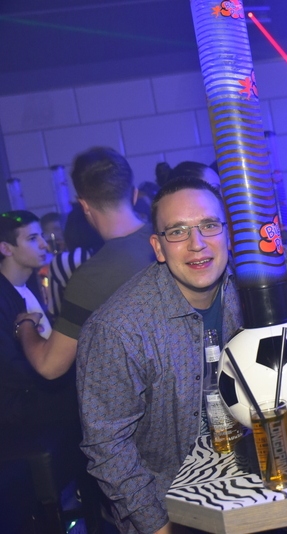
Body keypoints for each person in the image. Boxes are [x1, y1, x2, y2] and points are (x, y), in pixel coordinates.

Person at [77, 177, 242, 534]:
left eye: (209, 225)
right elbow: (107, 445)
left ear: (227, 233)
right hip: (172, 506)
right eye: (178, 231)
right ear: (158, 247)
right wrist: (157, 525)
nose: (197, 244)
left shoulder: (252, 288)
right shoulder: (119, 329)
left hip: (251, 483)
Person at [15, 147, 155, 379]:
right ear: (134, 195)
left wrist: (25, 326)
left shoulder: (91, 278)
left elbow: (50, 365)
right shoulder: (170, 240)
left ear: (84, 206)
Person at [0, 210, 83, 531]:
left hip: (37, 390)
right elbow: (11, 370)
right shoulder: (4, 294)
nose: (44, 245)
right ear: (6, 248)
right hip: (17, 408)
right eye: (32, 239)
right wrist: (62, 372)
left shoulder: (29, 284)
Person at [48, 203, 105, 316]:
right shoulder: (116, 253)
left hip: (77, 325)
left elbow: (55, 309)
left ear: (70, 230)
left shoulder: (62, 261)